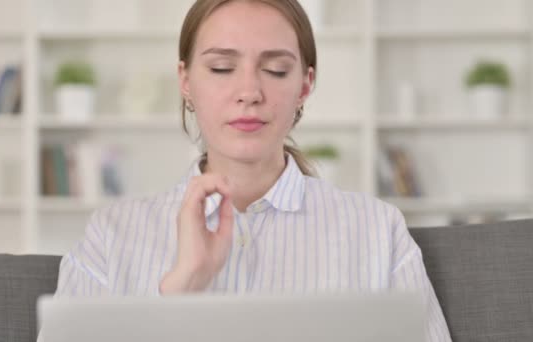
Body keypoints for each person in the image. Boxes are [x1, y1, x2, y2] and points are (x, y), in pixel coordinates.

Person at [49, 0, 452, 341]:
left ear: (305, 85)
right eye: (222, 68)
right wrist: (181, 288)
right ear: (185, 81)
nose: (249, 92)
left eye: (276, 70)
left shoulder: (379, 232)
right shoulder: (110, 237)